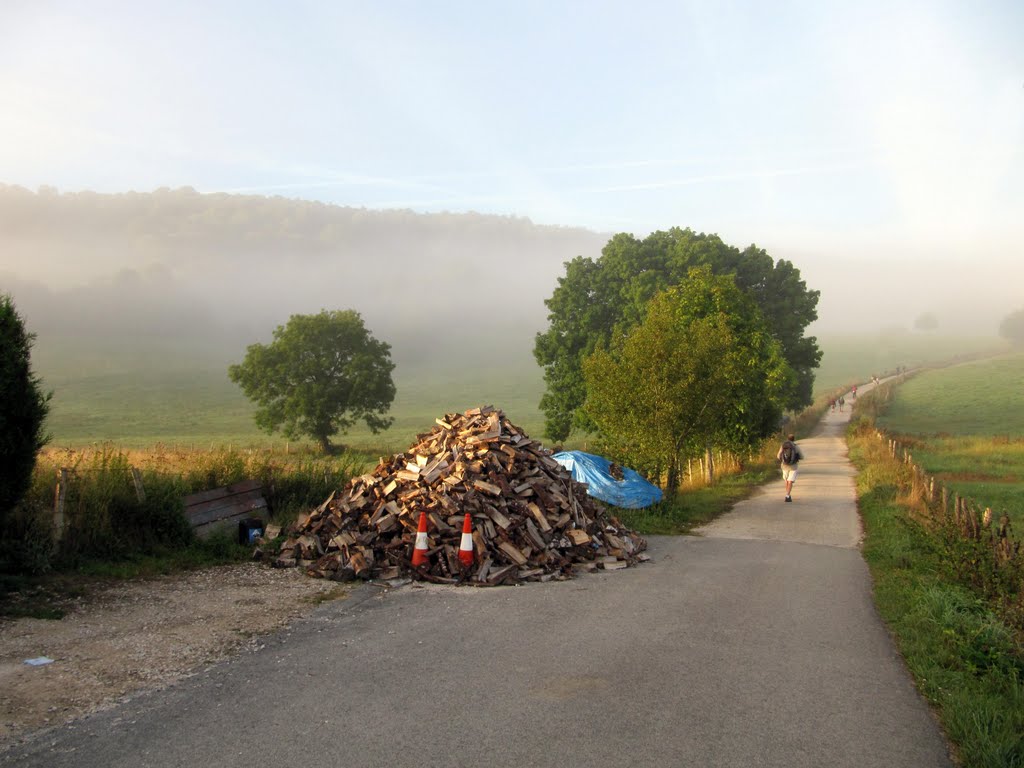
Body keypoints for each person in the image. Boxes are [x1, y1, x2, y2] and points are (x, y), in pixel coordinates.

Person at [776, 433, 803, 502]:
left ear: (787, 439)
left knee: (787, 481)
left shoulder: (783, 446)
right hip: (793, 466)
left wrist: (783, 460)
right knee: (790, 481)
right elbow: (802, 457)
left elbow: (778, 456)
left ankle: (788, 494)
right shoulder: (796, 446)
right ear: (794, 439)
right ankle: (787, 495)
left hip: (784, 466)